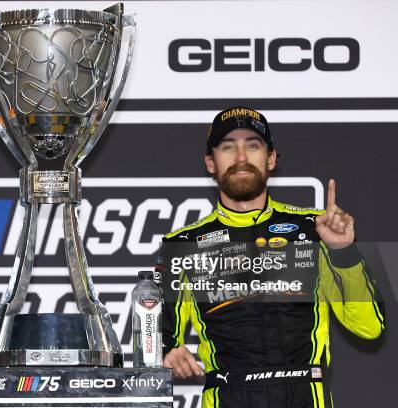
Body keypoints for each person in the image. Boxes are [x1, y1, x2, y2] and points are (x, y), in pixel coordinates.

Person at [158, 106, 384, 408]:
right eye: (228, 147)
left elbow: (369, 327)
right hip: (228, 395)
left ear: (272, 158)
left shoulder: (314, 229)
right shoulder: (182, 245)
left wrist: (343, 251)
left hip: (306, 394)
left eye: (253, 145)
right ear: (210, 163)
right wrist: (165, 353)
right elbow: (157, 342)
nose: (241, 157)